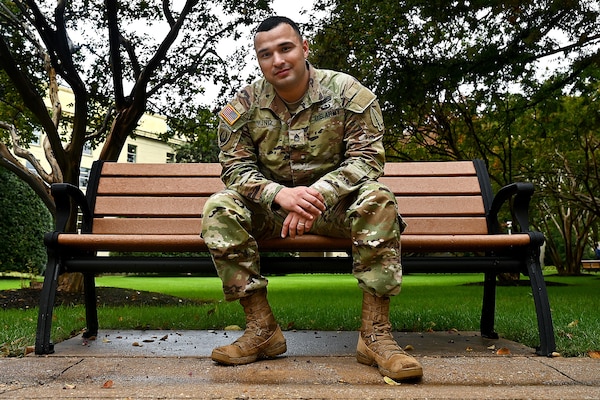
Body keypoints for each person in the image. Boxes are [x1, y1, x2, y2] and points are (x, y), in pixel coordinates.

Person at [201, 16, 423, 381]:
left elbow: (368, 159)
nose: (278, 60)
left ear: (304, 49)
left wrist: (317, 193)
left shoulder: (347, 92)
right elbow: (234, 170)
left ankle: (374, 336)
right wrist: (279, 195)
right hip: (274, 211)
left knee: (378, 198)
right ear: (259, 61)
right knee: (219, 207)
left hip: (336, 206)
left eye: (286, 48)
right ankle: (262, 330)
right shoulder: (242, 106)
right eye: (266, 54)